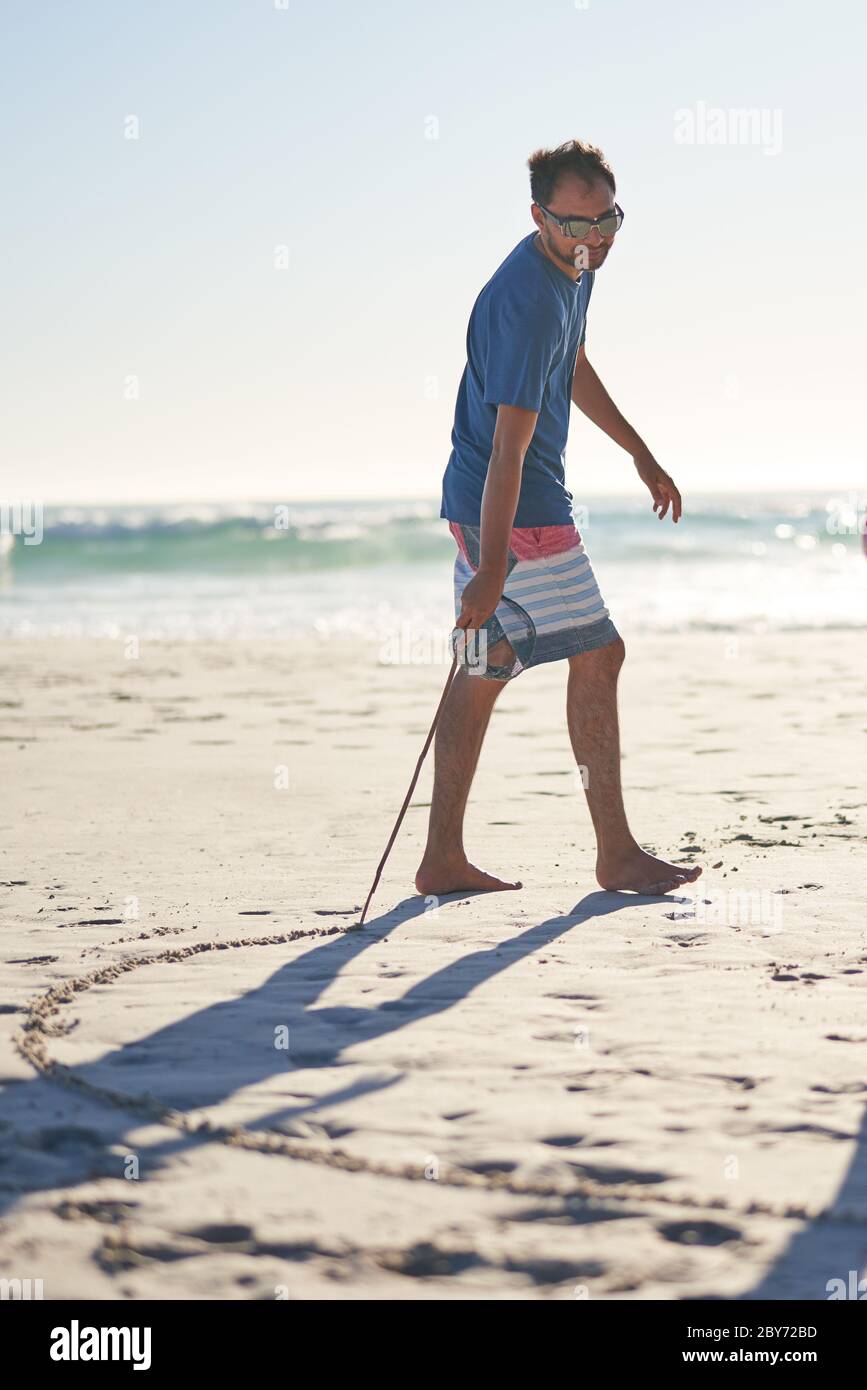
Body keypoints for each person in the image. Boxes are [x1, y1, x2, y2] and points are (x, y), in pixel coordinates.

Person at [416, 139, 702, 899]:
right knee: (599, 654)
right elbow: (508, 449)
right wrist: (490, 566)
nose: (593, 238)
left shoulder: (569, 269)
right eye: (575, 225)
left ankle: (442, 857)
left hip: (488, 508)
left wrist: (639, 454)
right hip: (516, 512)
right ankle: (615, 855)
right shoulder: (531, 296)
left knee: (481, 673)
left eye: (605, 219)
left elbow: (571, 364)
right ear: (539, 216)